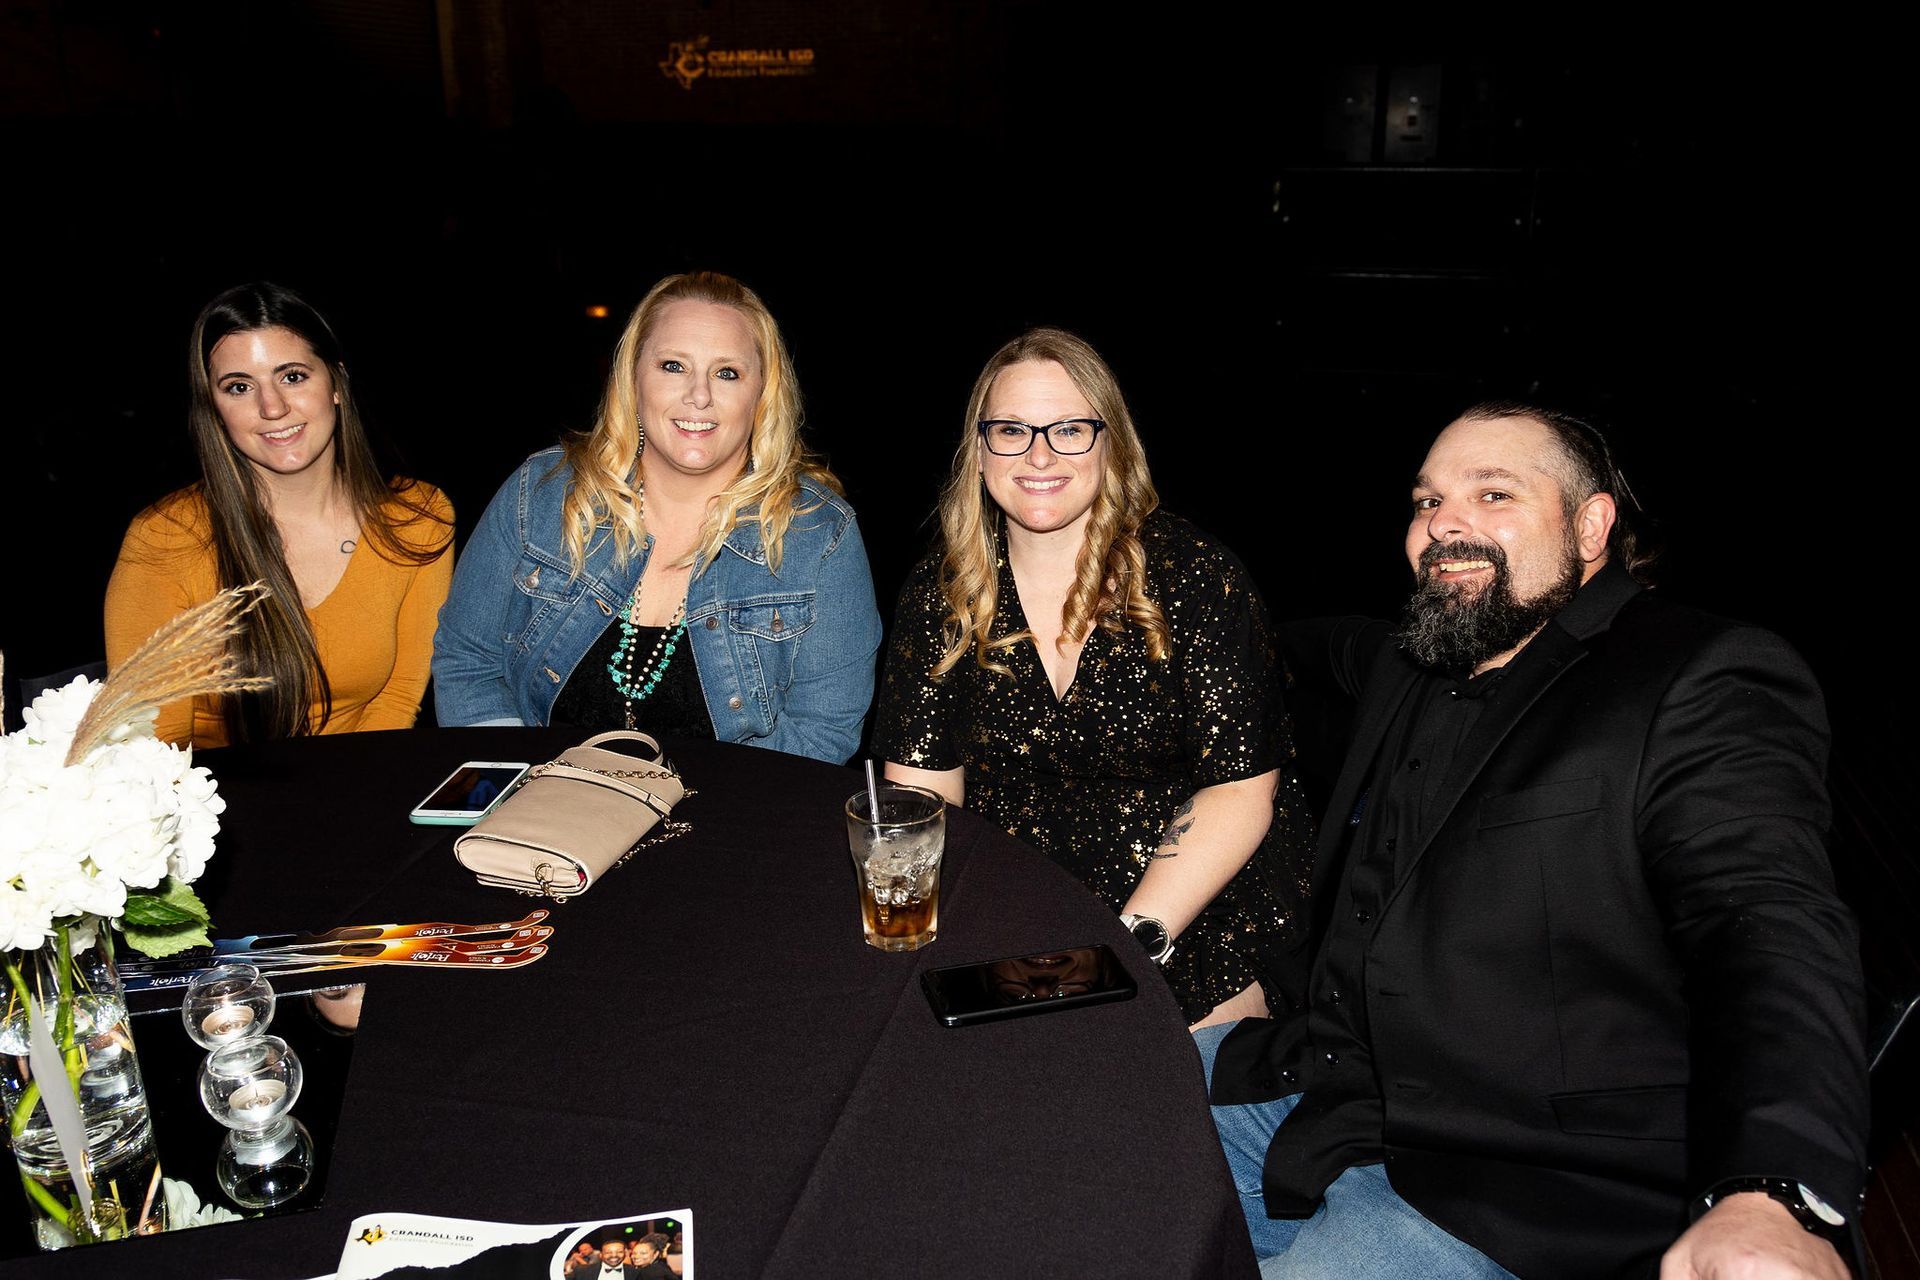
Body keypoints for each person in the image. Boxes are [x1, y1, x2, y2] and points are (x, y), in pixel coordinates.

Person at [1198, 402, 1867, 1278]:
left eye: (1494, 493)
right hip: (1325, 1094)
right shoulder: (1417, 655)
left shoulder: (1697, 675)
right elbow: (1300, 650)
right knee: (1067, 1120)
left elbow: (1767, 929)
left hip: (1519, 1184)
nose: (1445, 523)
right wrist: (1187, 640)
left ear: (1591, 526)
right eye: (1427, 500)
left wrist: (1772, 1188)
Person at [874, 328, 1313, 1027]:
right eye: (1012, 430)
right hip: (1012, 910)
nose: (1040, 454)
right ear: (979, 449)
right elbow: (923, 797)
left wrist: (1127, 943)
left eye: (1070, 429)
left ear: (1111, 444)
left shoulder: (1197, 578)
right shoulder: (940, 593)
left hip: (1186, 912)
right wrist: (939, 931)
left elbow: (1238, 788)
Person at [433, 272, 881, 765]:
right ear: (633, 378)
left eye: (727, 373)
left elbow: (821, 736)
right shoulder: (541, 495)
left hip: (724, 823)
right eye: (673, 366)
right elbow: (468, 663)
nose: (699, 395)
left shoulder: (817, 534)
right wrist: (516, 784)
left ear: (762, 394)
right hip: (538, 810)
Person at [104, 281, 453, 747]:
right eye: (239, 387)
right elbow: (155, 739)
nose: (272, 407)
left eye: (292, 376)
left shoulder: (417, 516)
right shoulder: (167, 538)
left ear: (336, 383)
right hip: (210, 802)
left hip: (358, 777)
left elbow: (398, 698)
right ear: (215, 408)